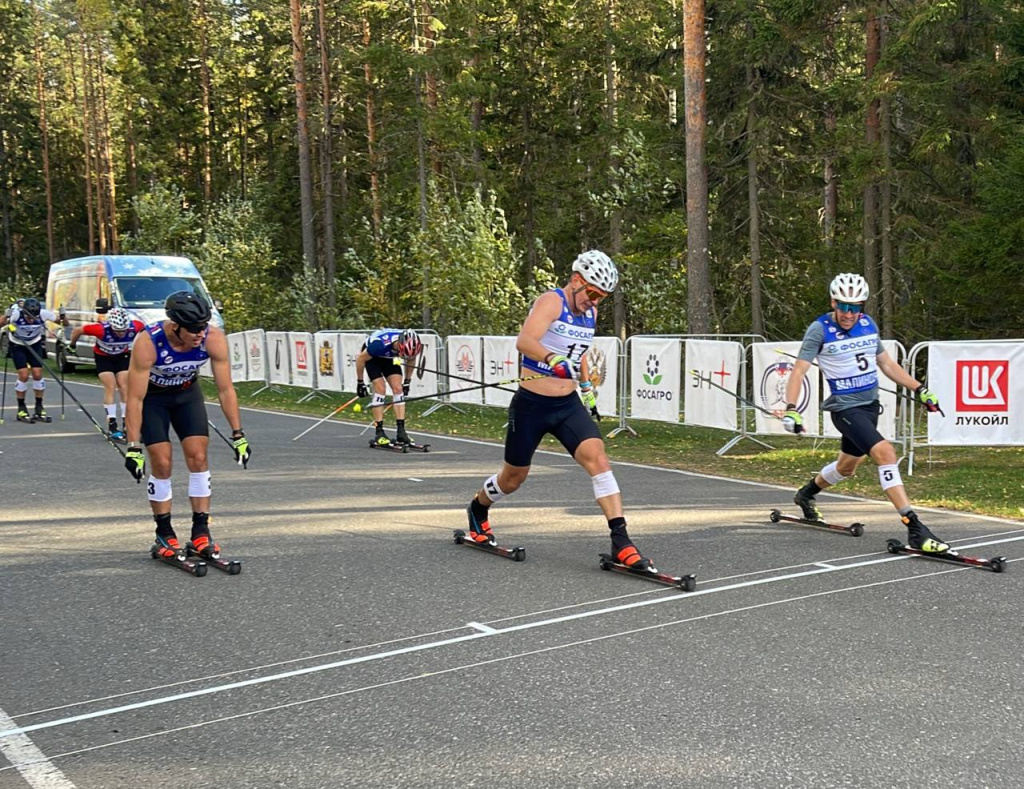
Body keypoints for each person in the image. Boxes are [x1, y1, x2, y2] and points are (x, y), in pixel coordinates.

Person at [464, 250, 656, 570]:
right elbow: (525, 341)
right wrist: (552, 360)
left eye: (602, 297)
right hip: (531, 405)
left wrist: (585, 389)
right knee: (513, 479)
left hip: (567, 405)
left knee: (599, 458)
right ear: (576, 280)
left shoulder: (589, 314)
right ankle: (478, 508)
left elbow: (578, 352)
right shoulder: (552, 301)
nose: (595, 302)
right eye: (593, 293)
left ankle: (621, 541)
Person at [775, 272, 948, 553]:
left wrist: (919, 389)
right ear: (833, 303)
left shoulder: (868, 325)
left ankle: (806, 495)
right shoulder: (819, 330)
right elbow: (799, 371)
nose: (848, 313)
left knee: (847, 467)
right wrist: (791, 409)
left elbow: (886, 364)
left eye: (855, 307)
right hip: (844, 409)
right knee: (886, 453)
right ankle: (914, 526)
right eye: (843, 306)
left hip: (869, 408)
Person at [123, 291, 252, 562]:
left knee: (199, 456)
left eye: (203, 326)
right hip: (153, 400)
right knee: (162, 461)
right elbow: (134, 398)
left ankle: (200, 531)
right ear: (175, 325)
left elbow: (226, 390)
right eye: (193, 329)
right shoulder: (148, 341)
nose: (199, 334)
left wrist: (238, 435)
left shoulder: (213, 338)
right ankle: (164, 532)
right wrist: (133, 446)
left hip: (186, 395)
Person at [68, 307, 145, 441]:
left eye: (123, 330)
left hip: (121, 357)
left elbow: (149, 335)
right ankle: (112, 425)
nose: (121, 334)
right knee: (110, 385)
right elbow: (77, 330)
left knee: (124, 386)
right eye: (118, 331)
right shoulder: (101, 329)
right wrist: (72, 345)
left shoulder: (136, 326)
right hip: (103, 357)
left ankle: (128, 425)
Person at [354, 328, 424, 446]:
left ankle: (401, 432)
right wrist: (360, 382)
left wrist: (407, 381)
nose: (404, 357)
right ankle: (379, 432)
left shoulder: (412, 347)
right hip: (373, 358)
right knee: (381, 388)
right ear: (399, 345)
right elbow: (360, 359)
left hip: (389, 358)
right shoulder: (378, 346)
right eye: (403, 354)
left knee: (398, 389)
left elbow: (411, 360)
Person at [4, 297, 69, 422]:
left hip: (34, 343)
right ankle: (21, 407)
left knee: (38, 374)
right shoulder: (16, 314)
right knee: (23, 375)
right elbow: (2, 323)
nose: (31, 319)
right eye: (28, 317)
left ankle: (39, 406)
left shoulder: (43, 314)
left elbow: (64, 323)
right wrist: (6, 317)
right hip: (18, 344)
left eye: (33, 317)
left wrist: (63, 316)